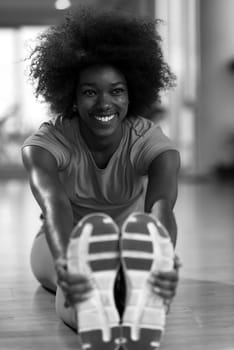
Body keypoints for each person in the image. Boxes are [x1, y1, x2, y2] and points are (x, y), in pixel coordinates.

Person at [21, 6, 181, 350]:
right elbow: (54, 205)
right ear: (73, 98)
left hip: (130, 243)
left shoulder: (152, 144)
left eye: (117, 91)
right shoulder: (47, 143)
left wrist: (163, 256)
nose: (105, 102)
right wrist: (68, 262)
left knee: (122, 278)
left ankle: (129, 289)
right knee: (80, 283)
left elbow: (162, 207)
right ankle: (98, 317)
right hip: (60, 243)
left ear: (132, 94)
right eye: (90, 91)